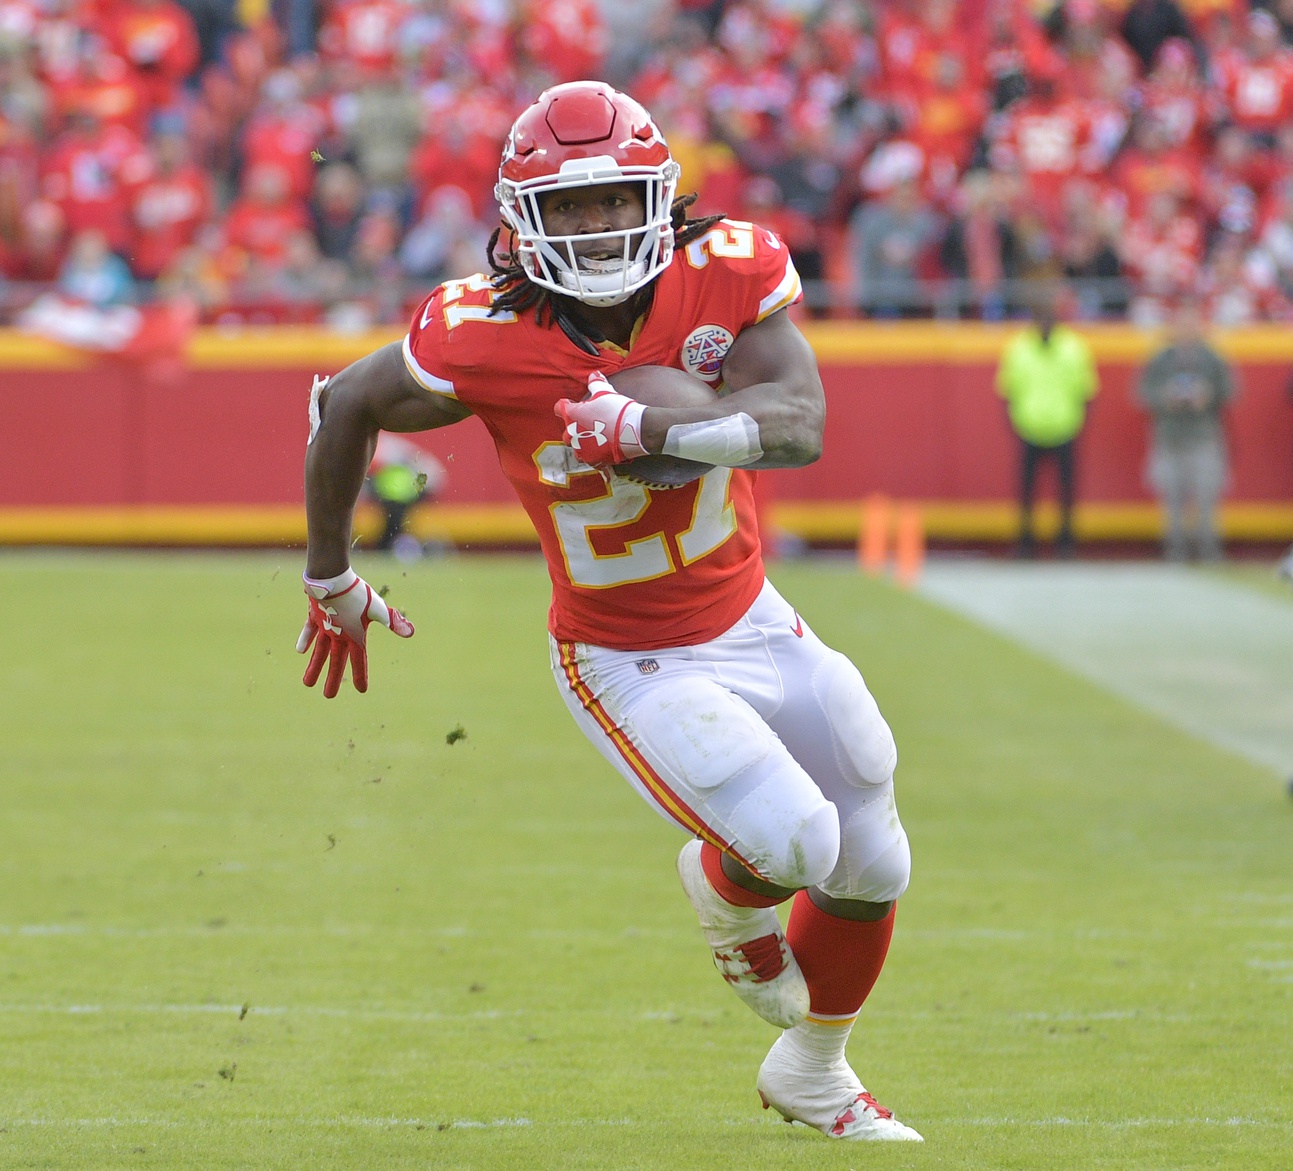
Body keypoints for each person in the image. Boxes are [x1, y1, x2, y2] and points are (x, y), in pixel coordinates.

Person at [296, 81, 921, 1143]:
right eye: (571, 207)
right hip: (629, 657)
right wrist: (331, 577)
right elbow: (344, 404)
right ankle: (726, 891)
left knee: (876, 847)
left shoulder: (725, 270)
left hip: (751, 615)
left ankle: (815, 1069)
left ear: (660, 196)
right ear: (521, 216)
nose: (596, 228)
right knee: (798, 840)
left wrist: (660, 428)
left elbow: (802, 420)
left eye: (614, 201)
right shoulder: (482, 332)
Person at [996, 284, 1099, 557]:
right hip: (1029, 426)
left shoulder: (1072, 347)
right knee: (1026, 491)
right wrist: (1015, 422)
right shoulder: (1019, 347)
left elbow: (1086, 391)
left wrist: (1077, 423)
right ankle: (1025, 541)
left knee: (1066, 491)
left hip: (1065, 426)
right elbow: (1008, 390)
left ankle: (1066, 541)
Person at [1136, 298, 1236, 561]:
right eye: (1183, 322)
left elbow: (1230, 390)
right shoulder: (1161, 359)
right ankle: (1175, 552)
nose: (1187, 328)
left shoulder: (1212, 358)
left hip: (1203, 437)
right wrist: (1165, 397)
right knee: (1172, 504)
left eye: (1192, 322)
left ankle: (1209, 552)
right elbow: (1142, 393)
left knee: (1206, 502)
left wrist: (1208, 395)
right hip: (1169, 438)